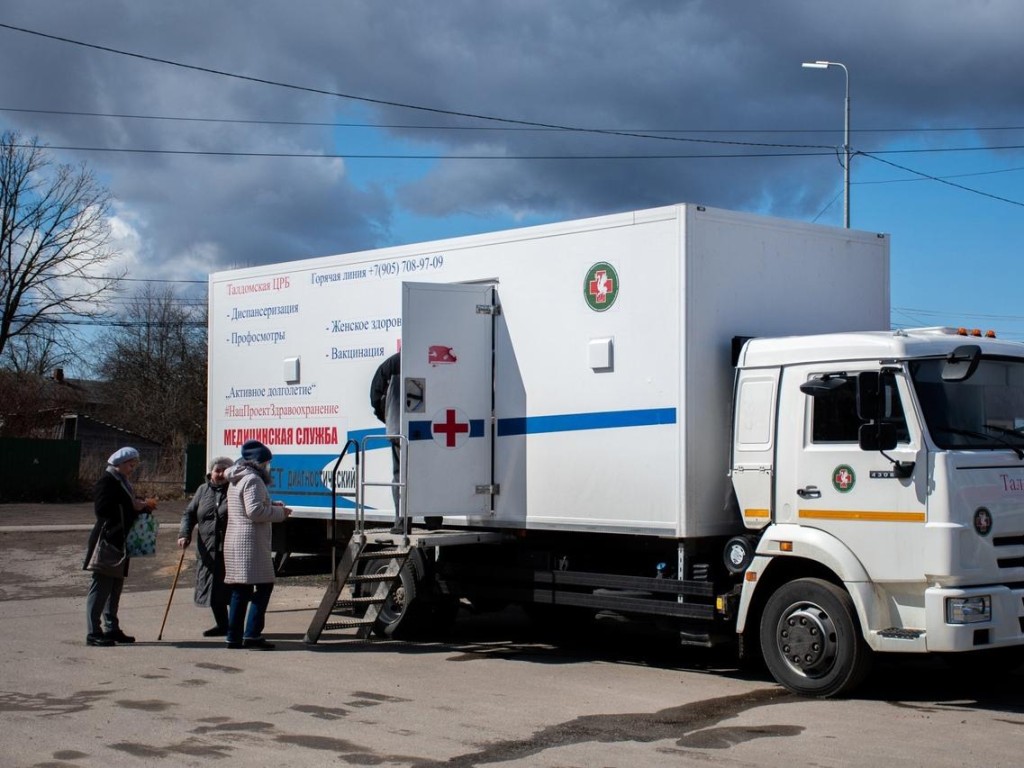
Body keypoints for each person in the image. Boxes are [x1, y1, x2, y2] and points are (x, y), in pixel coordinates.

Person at [223, 440, 291, 650]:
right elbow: (254, 512)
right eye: (267, 462)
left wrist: (270, 504)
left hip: (235, 539)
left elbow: (248, 506)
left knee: (240, 591)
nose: (268, 466)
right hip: (250, 543)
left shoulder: (237, 479)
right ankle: (252, 634)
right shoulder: (253, 480)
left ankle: (233, 637)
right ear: (259, 462)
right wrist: (280, 513)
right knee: (264, 586)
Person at [82, 447, 152, 647]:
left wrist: (142, 506)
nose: (132, 468)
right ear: (119, 464)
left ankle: (112, 627)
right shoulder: (107, 481)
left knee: (115, 586)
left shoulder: (123, 482)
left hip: (121, 540)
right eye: (130, 464)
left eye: (133, 464)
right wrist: (132, 505)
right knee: (101, 585)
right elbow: (102, 509)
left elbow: (126, 507)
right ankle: (93, 631)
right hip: (107, 541)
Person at [177, 456, 233, 637]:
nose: (221, 474)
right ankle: (223, 625)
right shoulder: (202, 490)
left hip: (230, 549)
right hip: (207, 549)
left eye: (225, 470)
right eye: (218, 470)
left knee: (231, 589)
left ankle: (236, 626)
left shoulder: (234, 490)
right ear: (211, 472)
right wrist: (184, 534)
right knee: (212, 587)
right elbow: (189, 514)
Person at [370, 351, 402, 531]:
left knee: (400, 476)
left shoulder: (391, 364)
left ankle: (402, 521)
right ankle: (433, 518)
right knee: (429, 474)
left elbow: (375, 397)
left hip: (399, 429)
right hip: (429, 430)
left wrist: (389, 418)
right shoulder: (429, 359)